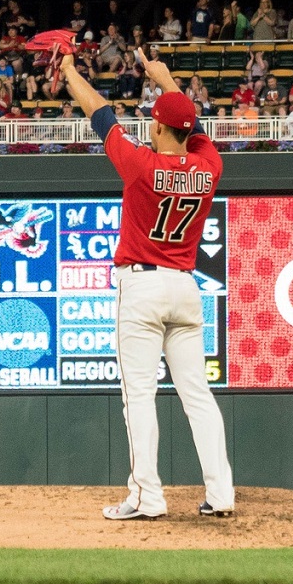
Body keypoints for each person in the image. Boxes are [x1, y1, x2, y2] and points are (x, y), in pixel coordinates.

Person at [57, 45, 234, 521]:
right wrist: (168, 80)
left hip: (143, 287)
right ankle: (221, 495)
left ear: (156, 127)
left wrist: (71, 71)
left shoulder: (141, 165)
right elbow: (191, 127)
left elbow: (100, 113)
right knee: (197, 392)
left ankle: (146, 497)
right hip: (185, 287)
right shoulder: (209, 167)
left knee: (139, 393)